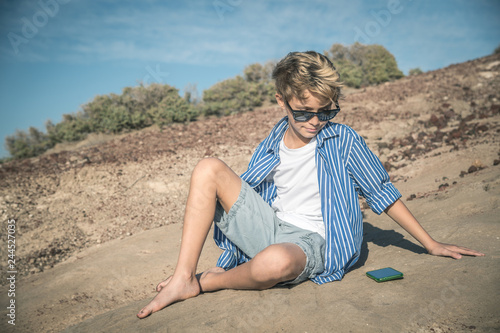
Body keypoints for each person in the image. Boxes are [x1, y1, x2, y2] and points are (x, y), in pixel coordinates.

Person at [137, 51, 484, 319]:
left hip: (312, 241)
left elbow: (381, 193)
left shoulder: (342, 139)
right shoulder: (274, 138)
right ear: (281, 101)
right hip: (271, 226)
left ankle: (205, 283)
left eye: (325, 112)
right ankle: (183, 276)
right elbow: (250, 194)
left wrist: (430, 244)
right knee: (208, 167)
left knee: (274, 263)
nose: (315, 121)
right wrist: (229, 256)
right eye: (303, 112)